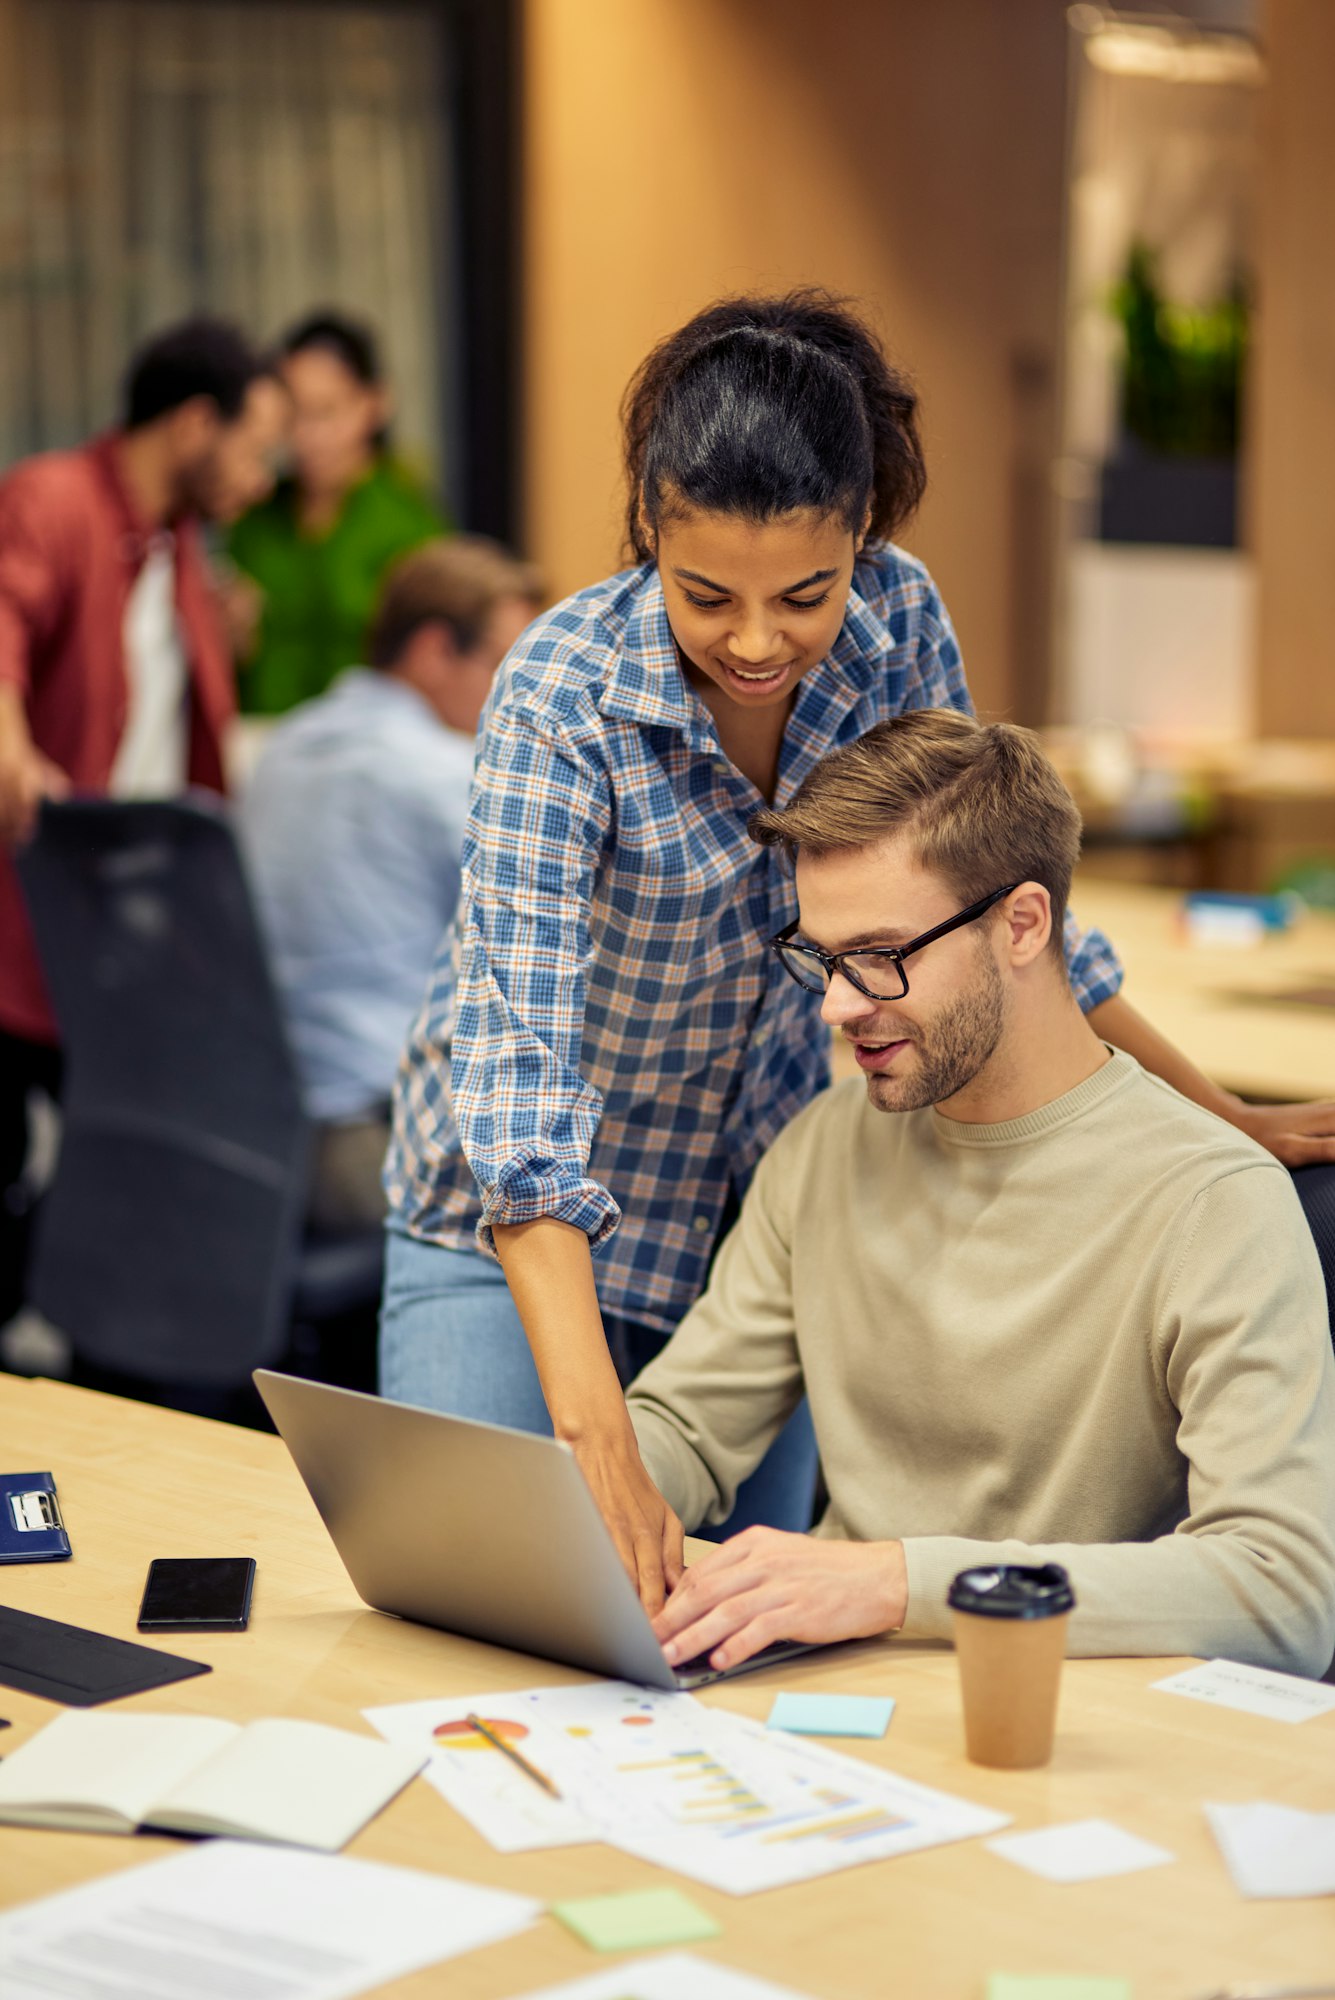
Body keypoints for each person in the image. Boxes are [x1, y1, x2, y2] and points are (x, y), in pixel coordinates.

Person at [382, 288, 1335, 1616]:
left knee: (752, 1620)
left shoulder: (894, 625)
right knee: (489, 1597)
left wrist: (1218, 1114)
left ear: (861, 541)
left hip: (748, 1195)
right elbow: (517, 1068)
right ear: (648, 532)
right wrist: (592, 1440)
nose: (758, 641)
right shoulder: (558, 694)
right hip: (516, 1221)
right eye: (705, 593)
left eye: (805, 592)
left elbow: (1000, 881)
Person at [629, 709, 1335, 1680]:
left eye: (880, 954)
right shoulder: (826, 1146)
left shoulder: (1213, 1201)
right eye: (823, 958)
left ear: (1022, 922)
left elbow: (1283, 1591)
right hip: (829, 1702)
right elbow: (685, 1427)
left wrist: (898, 1583)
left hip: (1064, 1723)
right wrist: (572, 1496)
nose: (837, 1004)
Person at [0, 316, 286, 1328]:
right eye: (256, 443)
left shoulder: (176, 545)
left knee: (122, 1188)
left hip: (126, 935)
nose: (264, 473)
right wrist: (10, 738)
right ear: (195, 424)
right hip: (29, 920)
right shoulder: (55, 499)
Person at [240, 537, 542, 1232]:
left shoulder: (282, 748)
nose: (518, 697)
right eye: (504, 664)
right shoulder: (447, 772)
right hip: (381, 1143)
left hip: (257, 1132)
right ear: (435, 650)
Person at [226, 310, 448, 715]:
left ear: (375, 404)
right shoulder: (253, 517)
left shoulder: (408, 525)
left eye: (326, 412)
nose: (307, 436)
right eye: (292, 416)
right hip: (260, 746)